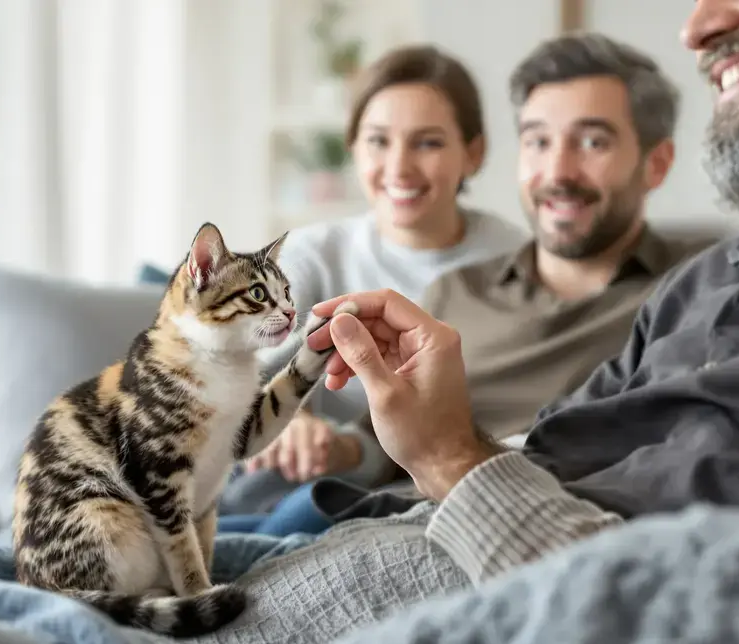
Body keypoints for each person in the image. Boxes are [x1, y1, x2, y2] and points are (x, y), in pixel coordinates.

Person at [0, 0, 739, 644]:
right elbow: (543, 454)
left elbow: (718, 618)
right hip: (329, 552)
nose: (700, 19)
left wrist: (445, 456)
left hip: (345, 613)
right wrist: (415, 448)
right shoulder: (720, 274)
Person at [238, 33, 716, 533]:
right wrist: (335, 446)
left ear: (656, 164)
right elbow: (379, 444)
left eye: (592, 141)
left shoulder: (696, 289)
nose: (557, 170)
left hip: (487, 528)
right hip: (345, 514)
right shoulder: (454, 292)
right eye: (537, 141)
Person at [217, 44, 528, 529]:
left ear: (474, 152)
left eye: (428, 143)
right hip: (293, 491)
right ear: (353, 146)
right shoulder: (313, 255)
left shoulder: (516, 262)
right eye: (379, 141)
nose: (399, 167)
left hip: (441, 495)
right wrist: (286, 419)